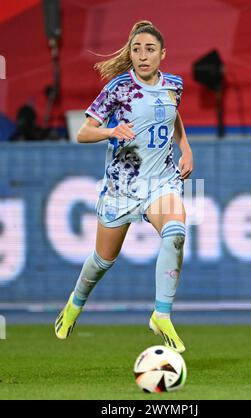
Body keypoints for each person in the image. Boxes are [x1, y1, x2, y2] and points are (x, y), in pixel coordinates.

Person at [55, 20, 193, 353]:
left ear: (163, 54)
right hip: (122, 186)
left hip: (161, 181)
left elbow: (173, 116)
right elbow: (83, 132)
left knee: (175, 233)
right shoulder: (118, 87)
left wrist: (186, 147)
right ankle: (74, 304)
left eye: (150, 49)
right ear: (129, 54)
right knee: (103, 260)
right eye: (136, 49)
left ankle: (161, 314)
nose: (143, 56)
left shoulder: (174, 84)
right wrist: (111, 131)